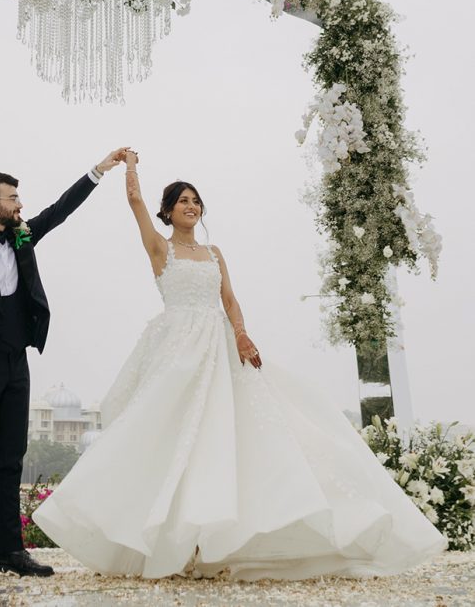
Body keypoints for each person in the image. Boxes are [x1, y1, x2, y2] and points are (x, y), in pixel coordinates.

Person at [32, 150, 447, 580]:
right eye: (182, 201)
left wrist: (242, 333)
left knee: (230, 434)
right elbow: (135, 202)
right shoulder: (159, 247)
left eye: (196, 201)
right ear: (169, 212)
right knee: (171, 437)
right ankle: (168, 541)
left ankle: (221, 540)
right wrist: (127, 164)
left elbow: (229, 299)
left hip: (219, 346)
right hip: (175, 349)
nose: (191, 206)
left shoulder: (214, 253)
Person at [0, 149, 127, 582]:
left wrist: (99, 171)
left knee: (11, 459)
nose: (21, 205)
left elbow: (60, 211)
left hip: (16, 364)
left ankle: (8, 551)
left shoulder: (21, 236)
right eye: (13, 198)